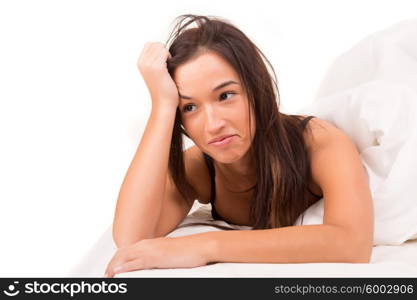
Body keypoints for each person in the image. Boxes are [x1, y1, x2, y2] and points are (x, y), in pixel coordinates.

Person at [104, 14, 373, 278]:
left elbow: (353, 244)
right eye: (189, 107)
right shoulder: (201, 167)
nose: (212, 124)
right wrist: (162, 107)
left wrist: (205, 246)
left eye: (226, 95)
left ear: (256, 90)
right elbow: (131, 237)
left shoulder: (319, 143)